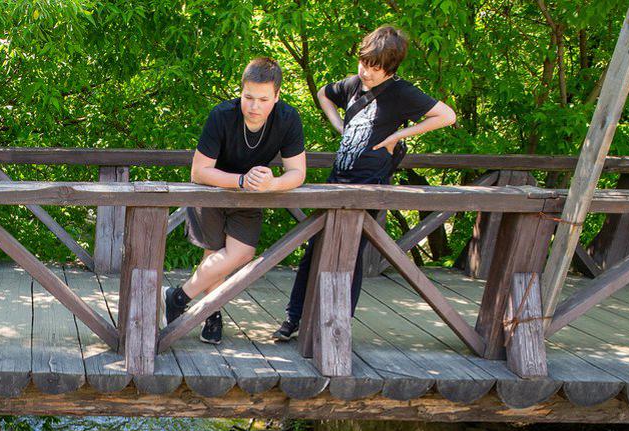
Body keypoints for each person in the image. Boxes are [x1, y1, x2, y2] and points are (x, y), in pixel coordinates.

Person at [273, 25, 456, 342]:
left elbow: (446, 115)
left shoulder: (401, 93)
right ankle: (294, 318)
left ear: (391, 67)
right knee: (313, 252)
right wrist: (339, 125)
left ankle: (334, 327)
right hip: (336, 183)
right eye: (364, 64)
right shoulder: (354, 84)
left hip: (369, 187)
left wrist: (397, 136)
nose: (367, 72)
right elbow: (323, 95)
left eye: (376, 68)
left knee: (349, 260)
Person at [164, 57, 307, 344]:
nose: (254, 107)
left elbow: (298, 172)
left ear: (277, 96)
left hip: (252, 195)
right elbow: (199, 171)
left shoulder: (288, 119)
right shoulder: (222, 115)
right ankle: (212, 314)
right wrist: (241, 180)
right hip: (213, 190)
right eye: (248, 97)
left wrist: (272, 184)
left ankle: (178, 296)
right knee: (214, 251)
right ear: (240, 91)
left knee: (241, 253)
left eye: (263, 99)